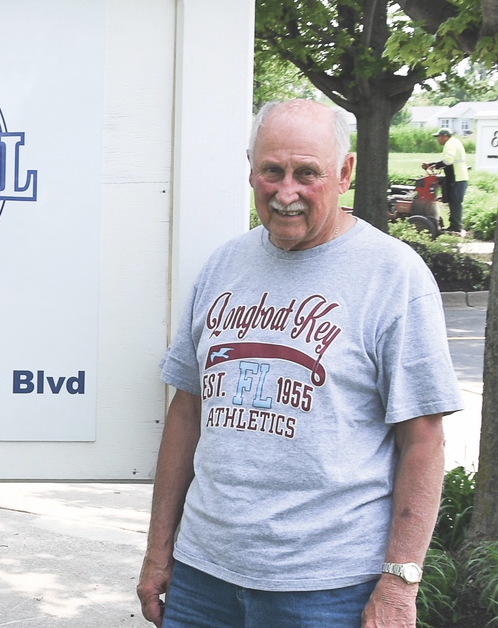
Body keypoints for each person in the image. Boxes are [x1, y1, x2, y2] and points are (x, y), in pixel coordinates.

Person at [137, 99, 464, 628]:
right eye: (272, 171)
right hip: (202, 576)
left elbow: (423, 439)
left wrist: (401, 581)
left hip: (328, 591)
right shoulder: (223, 266)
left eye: (306, 173)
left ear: (344, 173)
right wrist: (159, 550)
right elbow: (186, 415)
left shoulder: (393, 277)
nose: (285, 192)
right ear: (251, 171)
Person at [422, 128, 469, 235]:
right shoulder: (455, 142)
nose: (438, 139)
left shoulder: (450, 143)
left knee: (455, 203)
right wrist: (433, 164)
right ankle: (454, 226)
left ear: (445, 136)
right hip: (459, 177)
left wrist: (435, 165)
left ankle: (456, 227)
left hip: (458, 178)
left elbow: (448, 160)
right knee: (454, 202)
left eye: (438, 137)